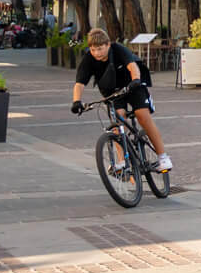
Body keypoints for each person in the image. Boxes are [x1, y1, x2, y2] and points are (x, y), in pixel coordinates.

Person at [70, 28, 171, 174]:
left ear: (108, 45)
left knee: (142, 115)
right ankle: (123, 161)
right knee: (117, 122)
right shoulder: (89, 59)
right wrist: (76, 101)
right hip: (112, 92)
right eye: (93, 49)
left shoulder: (118, 50)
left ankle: (163, 157)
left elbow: (133, 66)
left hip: (133, 86)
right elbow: (79, 83)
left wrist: (136, 80)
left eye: (100, 49)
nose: (96, 53)